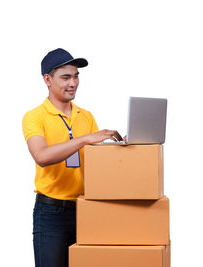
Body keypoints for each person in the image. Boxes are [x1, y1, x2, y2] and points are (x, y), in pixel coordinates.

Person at [22, 48, 122, 267]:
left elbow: (98, 162)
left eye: (76, 76)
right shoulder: (34, 117)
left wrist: (126, 149)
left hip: (86, 210)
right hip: (51, 212)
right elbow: (42, 156)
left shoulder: (85, 116)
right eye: (65, 77)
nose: (73, 83)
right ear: (47, 79)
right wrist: (83, 139)